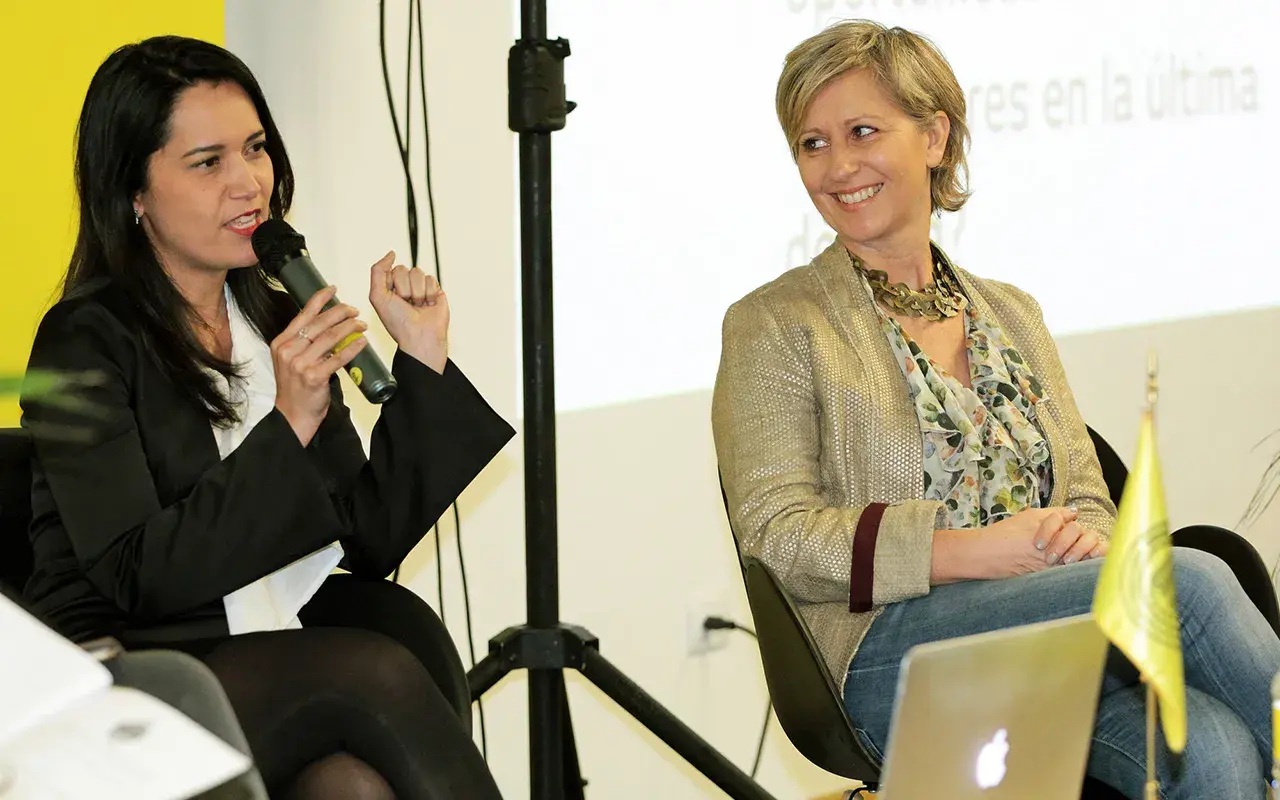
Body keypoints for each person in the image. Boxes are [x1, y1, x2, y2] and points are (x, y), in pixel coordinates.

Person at [711, 19, 1280, 799]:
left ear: (935, 137)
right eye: (812, 144)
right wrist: (971, 551)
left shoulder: (1014, 313)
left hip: (1060, 638)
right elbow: (777, 536)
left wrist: (1076, 540)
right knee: (1192, 582)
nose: (836, 166)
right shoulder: (775, 325)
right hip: (893, 657)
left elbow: (1086, 491)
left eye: (862, 131)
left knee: (1212, 750)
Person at [19, 35, 514, 800]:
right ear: (134, 194)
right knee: (370, 671)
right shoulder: (81, 342)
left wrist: (422, 358)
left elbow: (369, 537)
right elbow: (136, 576)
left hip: (270, 650)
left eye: (256, 148)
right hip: (138, 668)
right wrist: (287, 422)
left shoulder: (272, 315)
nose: (250, 182)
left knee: (351, 787)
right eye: (208, 162)